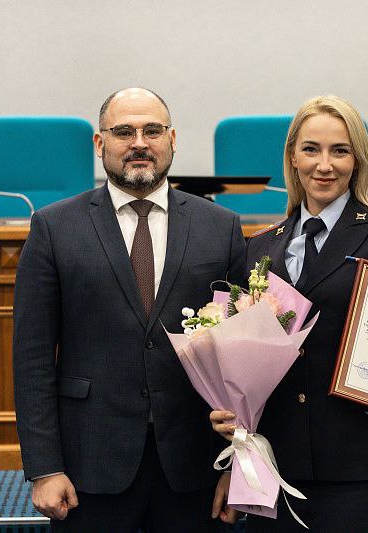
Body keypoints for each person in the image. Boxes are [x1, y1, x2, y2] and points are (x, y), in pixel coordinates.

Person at [210, 95, 368, 532]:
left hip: (357, 461)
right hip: (273, 462)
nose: (324, 165)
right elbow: (237, 357)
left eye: (339, 151)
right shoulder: (260, 246)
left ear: (357, 159)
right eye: (311, 149)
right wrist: (231, 437)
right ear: (293, 157)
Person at [13, 87, 245, 532]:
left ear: (172, 140)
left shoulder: (222, 227)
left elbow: (240, 357)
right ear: (101, 144)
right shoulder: (54, 227)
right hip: (89, 466)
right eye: (124, 131)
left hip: (196, 466)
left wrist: (237, 468)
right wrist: (44, 467)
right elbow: (33, 359)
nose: (139, 142)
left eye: (152, 130)